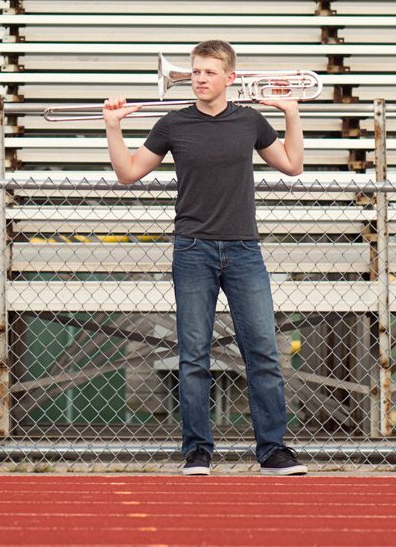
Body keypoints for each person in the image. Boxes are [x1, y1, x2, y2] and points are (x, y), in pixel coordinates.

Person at [103, 39, 308, 476]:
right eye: (194, 71)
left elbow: (292, 165)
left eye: (208, 72)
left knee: (263, 352)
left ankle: (273, 451)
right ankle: (197, 452)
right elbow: (128, 174)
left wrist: (291, 113)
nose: (197, 78)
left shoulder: (250, 121)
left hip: (244, 250)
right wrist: (113, 127)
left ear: (230, 78)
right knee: (193, 355)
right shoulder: (173, 123)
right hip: (192, 250)